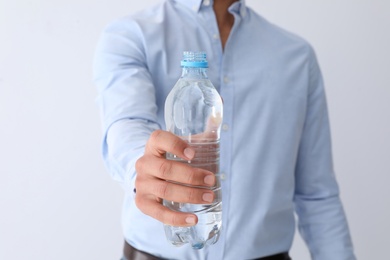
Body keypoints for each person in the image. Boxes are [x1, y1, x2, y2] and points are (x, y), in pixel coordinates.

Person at [93, 0, 356, 259]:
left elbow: (317, 195)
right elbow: (126, 124)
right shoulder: (132, 35)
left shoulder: (296, 57)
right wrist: (143, 166)